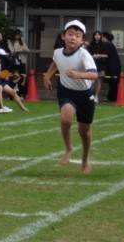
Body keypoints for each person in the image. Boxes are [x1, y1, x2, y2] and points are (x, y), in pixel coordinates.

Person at [43, 20, 98, 174]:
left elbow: (94, 74)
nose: (73, 38)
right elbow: (56, 62)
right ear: (63, 36)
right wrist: (47, 76)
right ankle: (68, 148)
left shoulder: (84, 54)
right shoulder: (57, 52)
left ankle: (85, 158)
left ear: (82, 40)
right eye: (70, 34)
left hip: (84, 94)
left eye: (77, 35)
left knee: (84, 132)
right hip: (66, 91)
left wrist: (78, 75)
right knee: (66, 119)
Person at [87, 30, 108, 104]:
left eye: (98, 35)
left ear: (100, 36)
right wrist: (93, 56)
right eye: (96, 35)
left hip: (101, 64)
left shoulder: (104, 44)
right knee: (93, 81)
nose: (97, 36)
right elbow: (87, 54)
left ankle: (96, 96)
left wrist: (99, 55)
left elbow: (106, 55)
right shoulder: (90, 44)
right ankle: (92, 95)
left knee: (99, 81)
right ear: (94, 36)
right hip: (92, 64)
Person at [8, 29, 30, 95]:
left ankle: (23, 93)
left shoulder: (21, 40)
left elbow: (28, 50)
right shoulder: (10, 41)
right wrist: (17, 50)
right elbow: (11, 51)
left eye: (19, 35)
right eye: (17, 35)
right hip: (14, 62)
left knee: (23, 76)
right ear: (14, 35)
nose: (18, 37)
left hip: (22, 61)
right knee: (14, 76)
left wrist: (23, 49)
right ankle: (12, 93)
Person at [101, 32, 121, 102]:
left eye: (101, 37)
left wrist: (98, 55)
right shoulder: (109, 44)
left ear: (104, 37)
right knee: (112, 82)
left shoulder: (107, 44)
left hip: (113, 66)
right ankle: (111, 97)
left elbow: (106, 55)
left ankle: (113, 97)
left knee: (113, 82)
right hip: (114, 65)